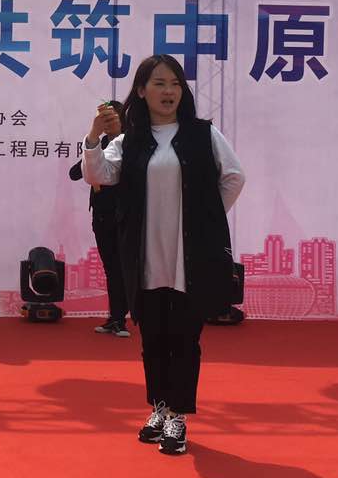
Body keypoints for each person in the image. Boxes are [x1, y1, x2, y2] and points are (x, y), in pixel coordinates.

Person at [82, 55, 244, 455]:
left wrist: (205, 220)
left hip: (189, 259)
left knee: (185, 339)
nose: (169, 91)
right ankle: (159, 407)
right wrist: (94, 137)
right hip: (146, 257)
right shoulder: (130, 140)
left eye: (175, 84)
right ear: (141, 91)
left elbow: (234, 177)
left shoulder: (203, 134)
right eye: (159, 83)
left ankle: (177, 416)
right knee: (153, 338)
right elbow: (98, 175)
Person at [69, 99, 128, 337]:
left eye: (113, 118)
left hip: (125, 216)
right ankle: (115, 318)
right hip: (102, 216)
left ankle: (122, 318)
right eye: (105, 119)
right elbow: (75, 173)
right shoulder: (98, 144)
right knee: (111, 268)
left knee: (125, 268)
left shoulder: (130, 144)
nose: (109, 123)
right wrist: (93, 151)